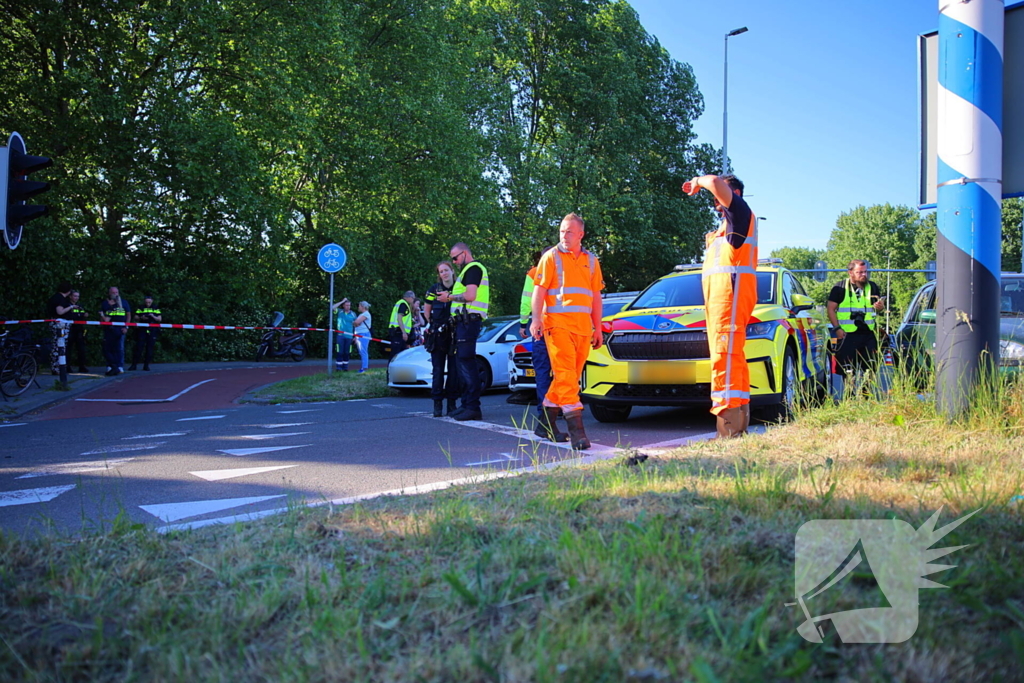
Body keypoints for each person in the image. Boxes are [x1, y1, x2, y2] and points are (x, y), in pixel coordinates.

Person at [682, 173, 758, 438]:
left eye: (719, 198)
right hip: (723, 302)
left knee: (724, 360)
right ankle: (738, 424)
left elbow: (713, 181)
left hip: (729, 301)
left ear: (733, 193)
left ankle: (727, 430)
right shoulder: (724, 229)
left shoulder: (740, 212)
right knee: (732, 358)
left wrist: (696, 182)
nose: (716, 204)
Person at [529, 214, 604, 448]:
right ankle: (577, 432)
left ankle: (545, 424)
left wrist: (598, 328)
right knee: (566, 377)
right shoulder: (550, 257)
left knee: (567, 378)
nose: (564, 235)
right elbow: (539, 291)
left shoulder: (591, 261)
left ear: (581, 234)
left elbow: (596, 297)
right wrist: (535, 320)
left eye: (569, 232)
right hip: (557, 324)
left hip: (582, 328)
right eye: (562, 231)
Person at [437, 242, 490, 421]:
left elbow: (470, 296)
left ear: (465, 253)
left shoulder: (473, 268)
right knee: (463, 363)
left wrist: (449, 297)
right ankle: (467, 404)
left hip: (468, 322)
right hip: (464, 322)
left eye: (456, 257)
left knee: (467, 363)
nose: (455, 261)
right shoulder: (468, 271)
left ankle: (473, 407)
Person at [825, 259, 888, 400]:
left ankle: (866, 394)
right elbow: (830, 309)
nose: (863, 275)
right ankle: (849, 396)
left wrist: (880, 307)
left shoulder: (872, 287)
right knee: (848, 368)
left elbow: (877, 308)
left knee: (871, 365)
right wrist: (837, 329)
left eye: (865, 272)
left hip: (868, 332)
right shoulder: (840, 287)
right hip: (848, 333)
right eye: (859, 272)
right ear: (851, 273)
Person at [521, 250, 559, 440]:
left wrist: (523, 322)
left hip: (541, 327)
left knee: (543, 373)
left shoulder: (534, 272)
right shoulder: (562, 270)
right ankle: (552, 416)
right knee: (560, 373)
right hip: (557, 327)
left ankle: (545, 419)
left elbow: (527, 299)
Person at [423, 261, 460, 417]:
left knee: (454, 371)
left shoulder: (459, 288)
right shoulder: (434, 289)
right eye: (441, 271)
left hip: (454, 334)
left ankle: (451, 404)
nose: (444, 273)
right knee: (437, 370)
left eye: (446, 270)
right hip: (437, 334)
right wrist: (431, 324)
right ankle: (437, 404)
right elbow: (427, 309)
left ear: (452, 271)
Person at [99, 286, 131, 376]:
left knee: (119, 348)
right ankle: (111, 366)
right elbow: (104, 318)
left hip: (120, 328)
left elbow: (128, 315)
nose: (115, 294)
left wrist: (126, 327)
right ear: (109, 293)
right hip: (109, 329)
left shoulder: (124, 303)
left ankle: (119, 366)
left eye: (116, 292)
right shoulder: (106, 303)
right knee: (108, 348)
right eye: (113, 293)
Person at [45, 281, 74, 375]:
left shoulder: (55, 297)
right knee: (60, 345)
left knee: (56, 345)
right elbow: (60, 312)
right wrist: (70, 307)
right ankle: (58, 367)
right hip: (60, 325)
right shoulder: (60, 299)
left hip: (54, 323)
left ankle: (56, 366)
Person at [129, 295, 162, 371]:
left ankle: (146, 365)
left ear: (152, 301)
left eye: (149, 302)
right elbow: (136, 317)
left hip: (152, 329)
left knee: (149, 348)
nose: (148, 304)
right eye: (146, 302)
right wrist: (141, 317)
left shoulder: (155, 308)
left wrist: (153, 316)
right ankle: (134, 365)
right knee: (139, 347)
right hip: (142, 329)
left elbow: (159, 319)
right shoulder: (141, 307)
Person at [66, 290, 90, 373]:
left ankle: (82, 366)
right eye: (75, 296)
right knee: (68, 349)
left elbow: (82, 314)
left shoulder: (80, 305)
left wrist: (85, 315)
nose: (76, 298)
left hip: (79, 330)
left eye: (78, 296)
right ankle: (67, 367)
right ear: (70, 296)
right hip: (70, 329)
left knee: (81, 349)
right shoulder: (67, 305)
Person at [388, 290, 416, 362]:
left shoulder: (402, 303)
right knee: (396, 354)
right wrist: (404, 332)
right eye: (413, 298)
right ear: (409, 297)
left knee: (401, 353)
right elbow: (399, 318)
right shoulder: (403, 304)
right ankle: (390, 371)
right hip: (398, 332)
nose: (413, 300)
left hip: (397, 331)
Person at [331, 297, 357, 371]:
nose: (348, 307)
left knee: (347, 352)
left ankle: (345, 367)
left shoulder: (353, 314)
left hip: (349, 336)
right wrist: (342, 301)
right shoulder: (339, 312)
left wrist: (355, 336)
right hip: (340, 336)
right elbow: (332, 307)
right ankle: (338, 367)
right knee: (340, 352)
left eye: (349, 305)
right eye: (346, 305)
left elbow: (356, 325)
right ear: (343, 306)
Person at [353, 301, 372, 373]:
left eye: (359, 306)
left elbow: (356, 322)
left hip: (363, 334)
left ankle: (364, 368)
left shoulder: (366, 314)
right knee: (362, 351)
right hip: (360, 334)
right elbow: (356, 323)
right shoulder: (363, 314)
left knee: (363, 351)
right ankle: (364, 367)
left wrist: (355, 323)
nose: (358, 307)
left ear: (363, 307)